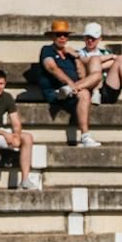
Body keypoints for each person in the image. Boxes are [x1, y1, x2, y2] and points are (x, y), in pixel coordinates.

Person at [38, 20, 102, 148]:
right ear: (52, 36)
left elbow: (82, 76)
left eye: (65, 35)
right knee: (84, 93)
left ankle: (85, 137)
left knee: (96, 77)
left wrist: (77, 58)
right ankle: (85, 135)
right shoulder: (47, 50)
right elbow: (51, 68)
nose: (62, 38)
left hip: (72, 90)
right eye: (59, 35)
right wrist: (69, 82)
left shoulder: (70, 54)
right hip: (55, 90)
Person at [79, 23, 122, 106]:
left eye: (93, 38)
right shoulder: (79, 53)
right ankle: (95, 92)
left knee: (121, 59)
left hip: (108, 88)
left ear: (99, 39)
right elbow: (85, 62)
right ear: (84, 38)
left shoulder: (105, 52)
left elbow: (113, 63)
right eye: (88, 37)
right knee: (95, 59)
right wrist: (109, 58)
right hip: (90, 89)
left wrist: (97, 65)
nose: (90, 41)